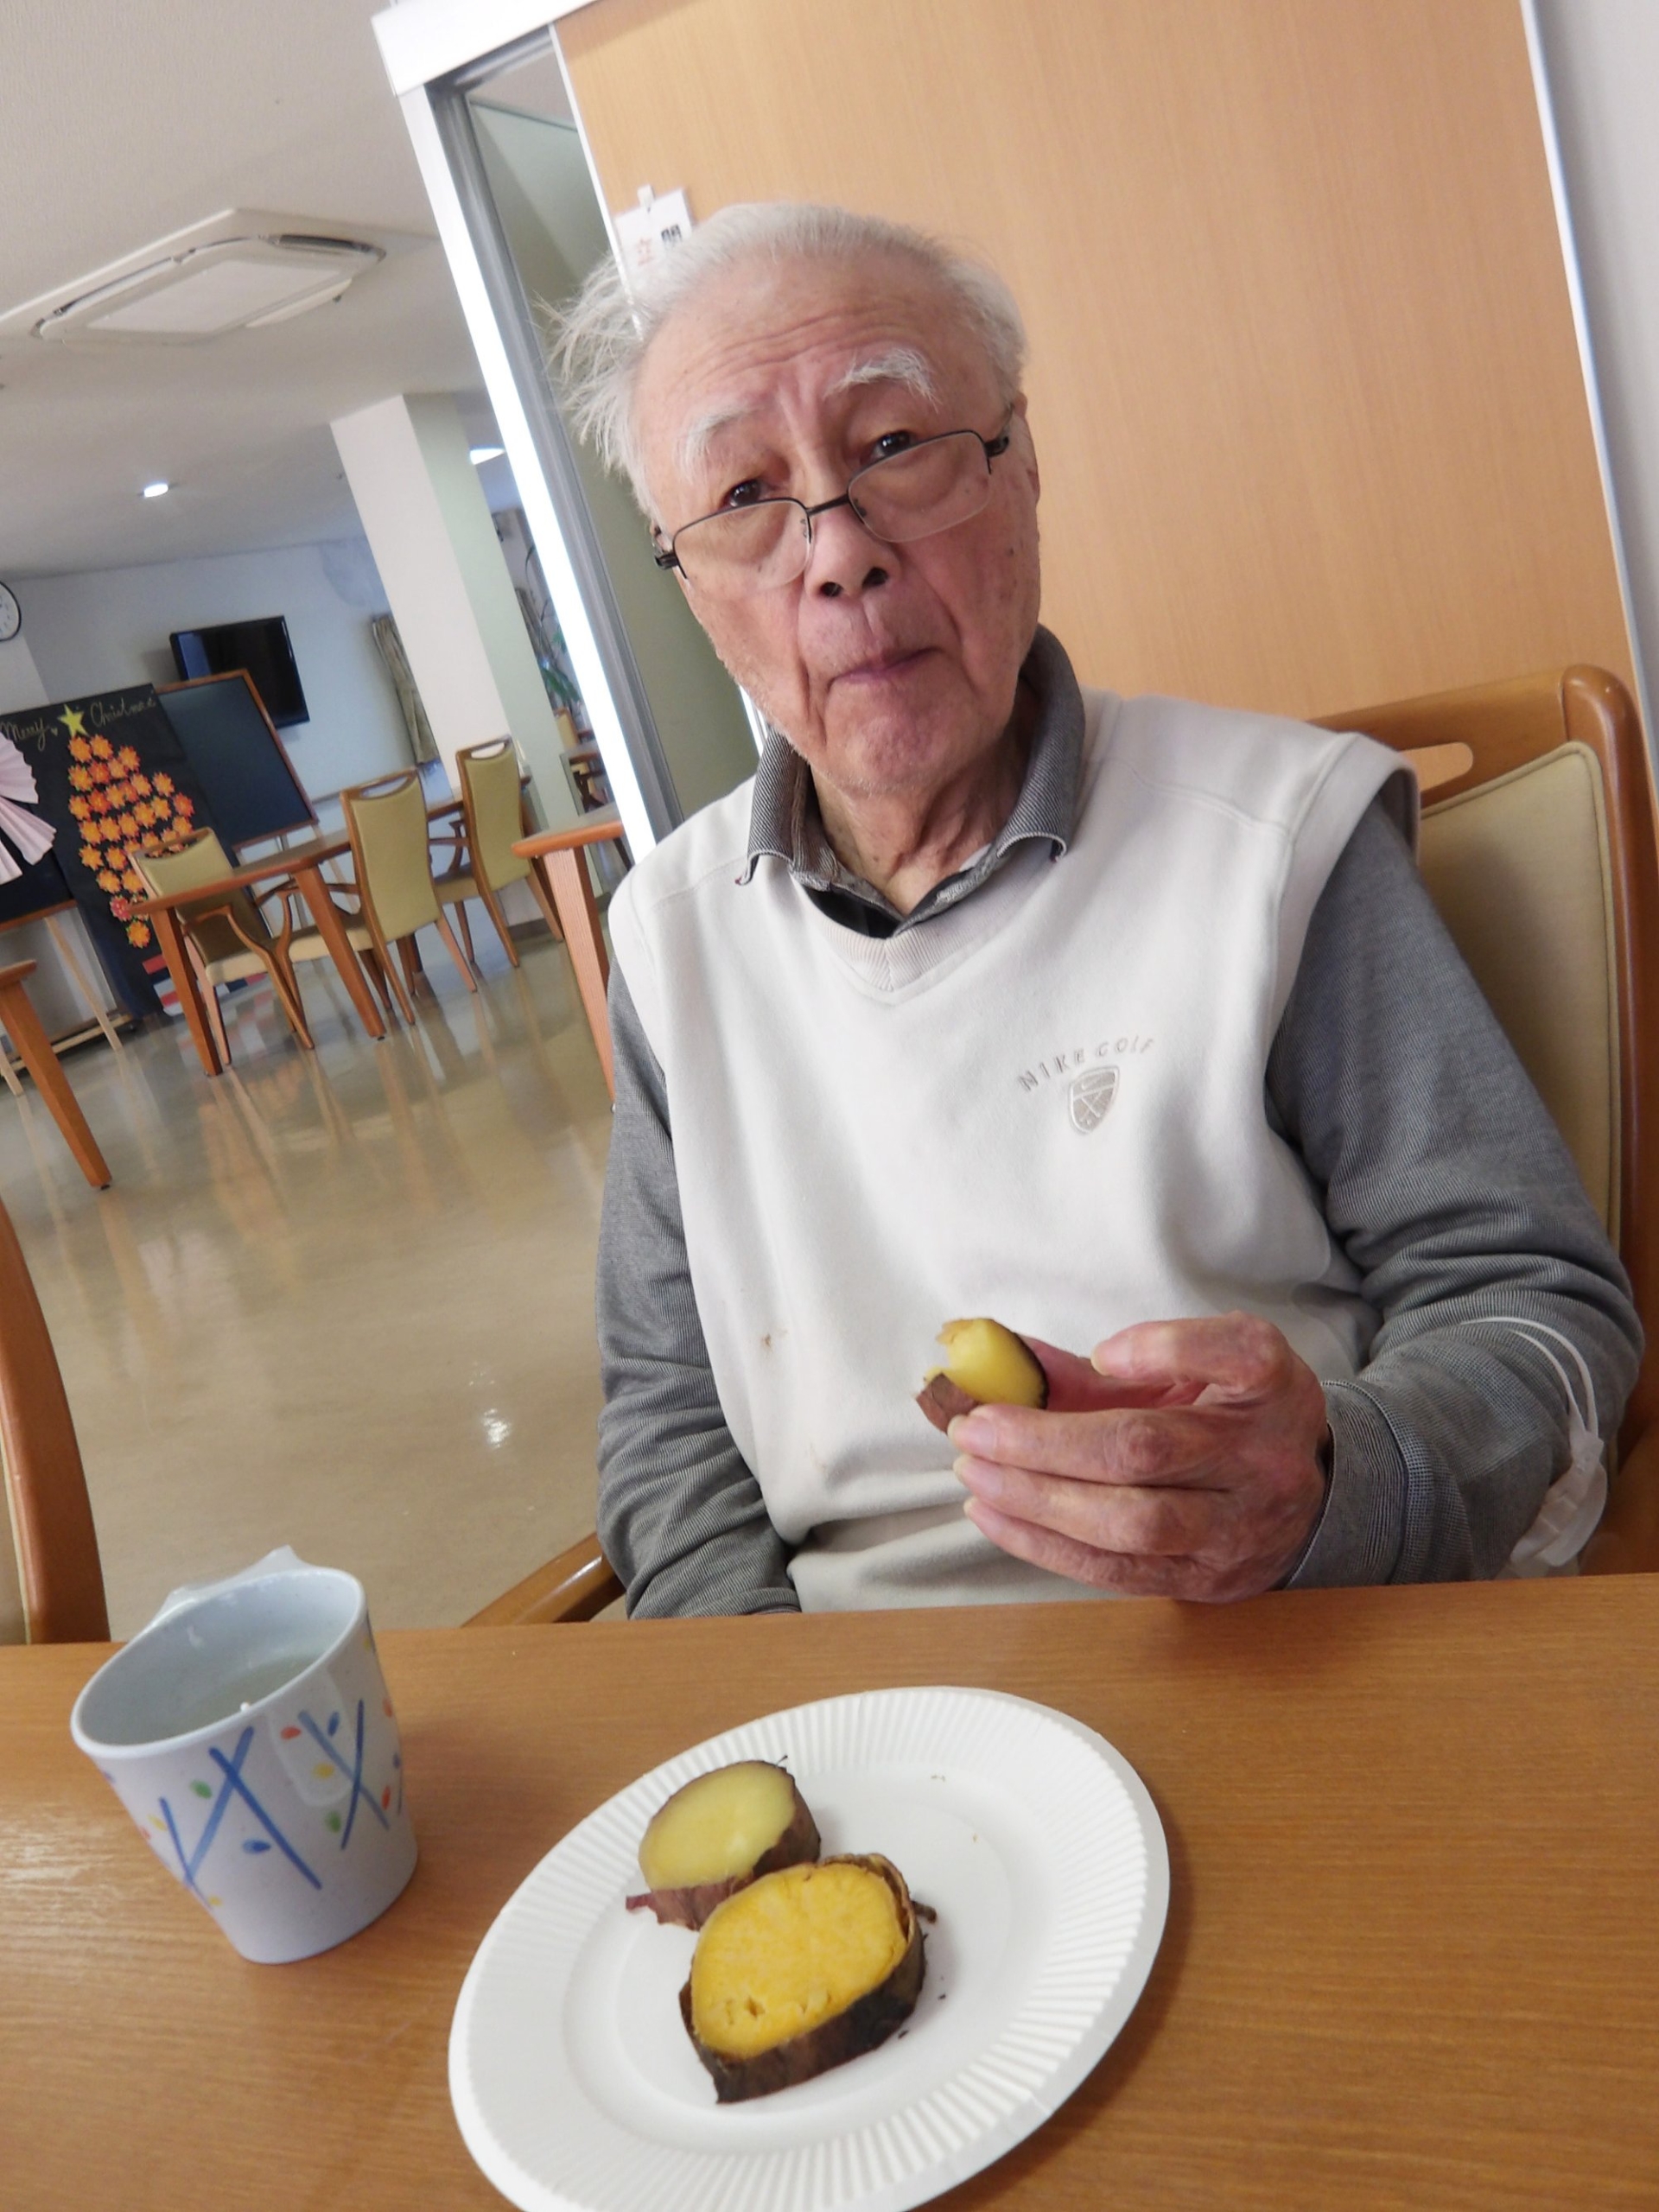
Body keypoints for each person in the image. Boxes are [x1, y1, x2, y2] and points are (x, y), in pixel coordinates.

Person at [552, 201, 1641, 1617]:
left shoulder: (1275, 841)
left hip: (1283, 1641)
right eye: (747, 499)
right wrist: (794, 1727)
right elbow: (666, 1418)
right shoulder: (672, 935)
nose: (838, 553)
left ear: (1021, 469)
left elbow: (1538, 1310)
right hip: (859, 1702)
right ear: (690, 583)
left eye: (894, 447)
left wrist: (1335, 1483)